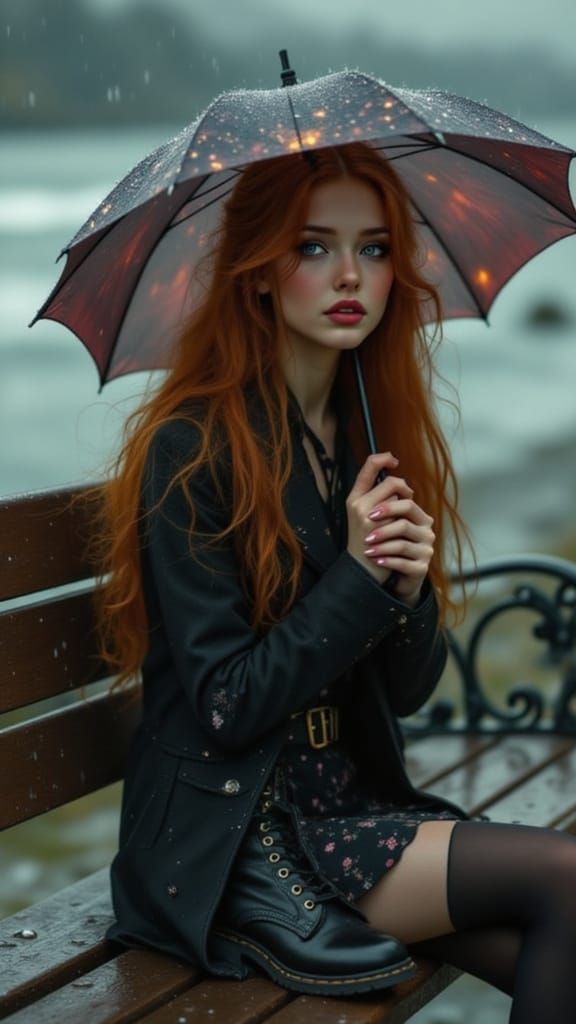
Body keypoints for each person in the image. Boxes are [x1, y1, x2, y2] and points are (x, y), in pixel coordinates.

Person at [88, 142, 576, 1020]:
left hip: (345, 806)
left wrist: (404, 589)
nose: (350, 272)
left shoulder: (356, 442)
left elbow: (410, 690)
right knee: (566, 882)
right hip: (239, 840)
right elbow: (227, 705)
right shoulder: (191, 450)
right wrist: (356, 577)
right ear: (260, 272)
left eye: (376, 247)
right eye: (313, 246)